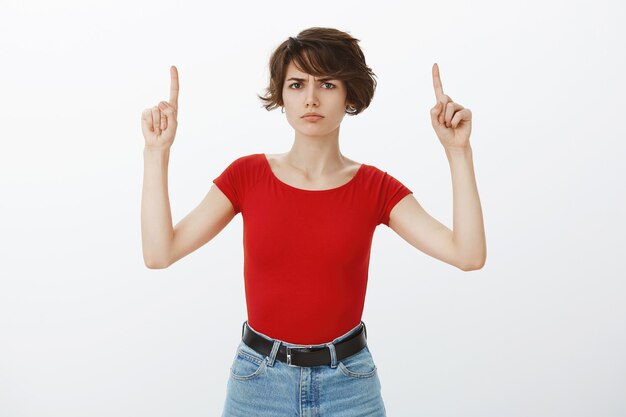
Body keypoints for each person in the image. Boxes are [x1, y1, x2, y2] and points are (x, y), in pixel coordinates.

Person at [140, 27, 486, 417]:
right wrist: (157, 152)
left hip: (349, 387)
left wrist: (459, 152)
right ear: (281, 96)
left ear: (349, 95)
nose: (310, 98)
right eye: (296, 83)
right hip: (258, 385)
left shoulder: (375, 188)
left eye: (327, 83)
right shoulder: (246, 176)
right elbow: (159, 252)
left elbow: (468, 254)